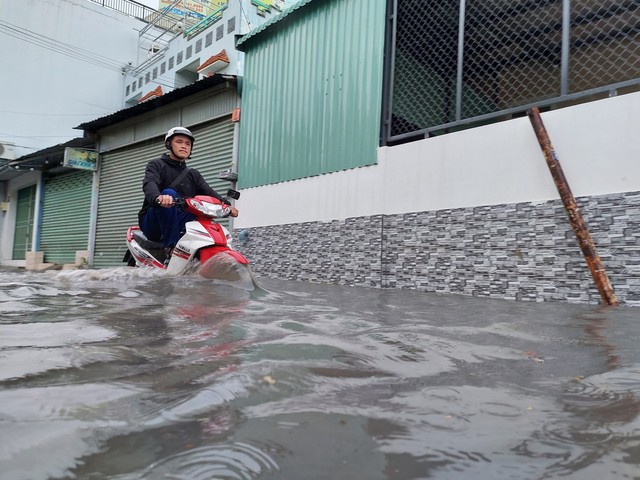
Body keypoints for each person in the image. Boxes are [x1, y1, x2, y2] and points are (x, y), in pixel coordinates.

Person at [138, 126, 238, 261]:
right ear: (169, 144)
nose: (184, 146)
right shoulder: (156, 165)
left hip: (179, 221)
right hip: (154, 222)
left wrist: (227, 205)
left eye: (188, 143)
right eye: (179, 142)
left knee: (200, 211)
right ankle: (170, 248)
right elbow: (150, 183)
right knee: (169, 192)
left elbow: (209, 192)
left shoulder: (193, 174)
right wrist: (158, 197)